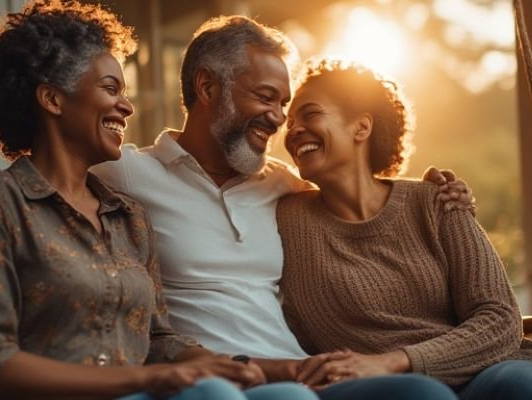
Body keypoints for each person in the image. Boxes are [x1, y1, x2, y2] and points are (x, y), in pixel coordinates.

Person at [0, 2, 316, 400]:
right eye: (110, 89)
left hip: (142, 392)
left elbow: (158, 338)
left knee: (290, 397)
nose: (128, 106)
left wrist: (219, 363)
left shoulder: (127, 216)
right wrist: (146, 380)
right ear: (52, 99)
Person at [91, 14, 472, 400]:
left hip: (299, 373)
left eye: (283, 105)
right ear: (206, 87)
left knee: (421, 394)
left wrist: (438, 194)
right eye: (265, 97)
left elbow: (362, 201)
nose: (278, 119)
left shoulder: (284, 184)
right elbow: (45, 169)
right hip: (209, 380)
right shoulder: (125, 173)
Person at [276, 58, 532, 400]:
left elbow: (500, 318)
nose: (293, 130)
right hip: (386, 391)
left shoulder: (435, 201)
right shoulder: (284, 217)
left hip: (488, 370)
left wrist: (394, 361)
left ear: (361, 128)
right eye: (290, 121)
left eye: (310, 115)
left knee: (524, 387)